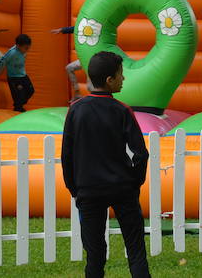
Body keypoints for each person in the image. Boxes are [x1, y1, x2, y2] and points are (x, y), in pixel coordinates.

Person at [62, 51, 151, 277]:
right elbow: (140, 153)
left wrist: (75, 188)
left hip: (88, 191)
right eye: (121, 75)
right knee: (135, 250)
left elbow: (67, 155)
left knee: (94, 255)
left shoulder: (76, 110)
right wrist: (134, 181)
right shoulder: (122, 111)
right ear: (110, 80)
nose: (124, 79)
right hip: (122, 188)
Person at [0, 34, 34, 112]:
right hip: (14, 78)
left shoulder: (23, 51)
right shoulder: (12, 53)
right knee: (18, 95)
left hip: (23, 75)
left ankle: (19, 104)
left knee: (31, 91)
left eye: (28, 47)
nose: (27, 50)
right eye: (26, 48)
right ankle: (18, 108)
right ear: (18, 46)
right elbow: (2, 62)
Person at [50, 26, 82, 101]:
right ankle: (77, 93)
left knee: (91, 86)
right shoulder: (84, 25)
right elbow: (77, 27)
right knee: (69, 68)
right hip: (84, 60)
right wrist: (61, 30)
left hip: (94, 60)